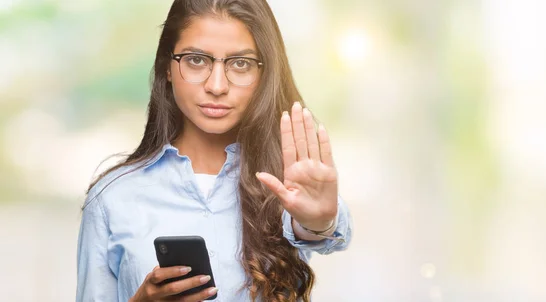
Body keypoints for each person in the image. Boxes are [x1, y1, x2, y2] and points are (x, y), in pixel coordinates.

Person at [76, 0, 353, 301]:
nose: (217, 85)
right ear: (167, 67)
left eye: (241, 63)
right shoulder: (112, 198)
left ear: (264, 75)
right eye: (196, 60)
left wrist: (318, 222)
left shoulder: (286, 182)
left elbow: (324, 229)